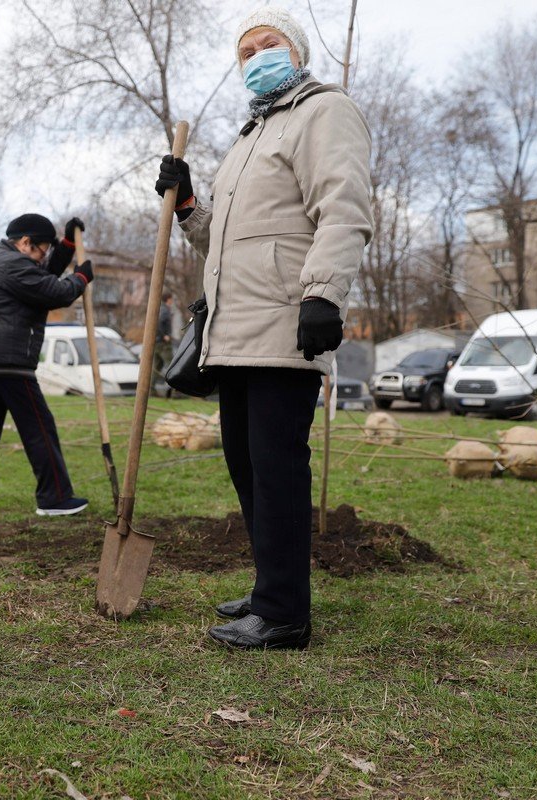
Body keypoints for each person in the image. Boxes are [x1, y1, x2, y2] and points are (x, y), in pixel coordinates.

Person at [155, 6, 372, 650]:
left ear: (297, 51)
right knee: (247, 465)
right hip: (233, 330)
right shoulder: (249, 137)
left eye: (269, 43)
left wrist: (323, 295)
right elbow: (224, 245)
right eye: (246, 50)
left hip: (284, 323)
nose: (256, 56)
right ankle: (270, 586)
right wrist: (191, 204)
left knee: (276, 467)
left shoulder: (323, 112)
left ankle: (284, 615)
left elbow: (343, 206)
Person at [0, 214, 94, 522]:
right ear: (25, 242)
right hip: (9, 364)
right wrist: (80, 278)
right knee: (39, 429)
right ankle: (55, 498)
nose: (43, 257)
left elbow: (41, 278)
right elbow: (55, 291)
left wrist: (65, 246)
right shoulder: (12, 265)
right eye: (42, 249)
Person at [155, 292, 175, 396]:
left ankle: (150, 391)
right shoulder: (165, 310)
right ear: (168, 299)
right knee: (172, 365)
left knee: (156, 367)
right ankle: (172, 390)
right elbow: (159, 323)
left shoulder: (161, 309)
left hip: (157, 342)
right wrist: (165, 336)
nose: (173, 301)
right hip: (163, 343)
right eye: (172, 299)